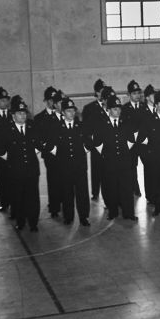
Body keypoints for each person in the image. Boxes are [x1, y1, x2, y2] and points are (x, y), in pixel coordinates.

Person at [0, 98, 43, 231]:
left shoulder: (32, 125)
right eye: (20, 114)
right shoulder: (6, 129)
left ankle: (33, 222)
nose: (23, 116)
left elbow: (39, 144)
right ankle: (20, 221)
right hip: (15, 170)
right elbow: (0, 151)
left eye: (24, 113)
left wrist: (31, 154)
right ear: (13, 115)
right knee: (18, 197)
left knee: (33, 197)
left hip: (31, 169)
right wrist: (12, 160)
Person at [90, 94, 139, 221]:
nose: (118, 111)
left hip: (124, 161)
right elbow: (97, 143)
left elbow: (131, 140)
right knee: (111, 187)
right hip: (109, 161)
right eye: (115, 109)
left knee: (126, 187)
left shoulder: (125, 123)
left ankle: (129, 213)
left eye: (119, 108)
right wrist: (107, 154)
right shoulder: (102, 124)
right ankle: (113, 212)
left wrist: (123, 152)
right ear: (109, 110)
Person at [44, 98, 92, 226]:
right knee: (67, 192)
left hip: (80, 166)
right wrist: (59, 155)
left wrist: (83, 151)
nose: (71, 113)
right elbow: (49, 145)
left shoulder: (80, 126)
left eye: (73, 111)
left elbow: (89, 142)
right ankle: (68, 216)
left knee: (82, 192)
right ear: (63, 112)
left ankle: (84, 216)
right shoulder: (56, 127)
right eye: (68, 111)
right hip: (64, 166)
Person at [34, 87, 65, 219]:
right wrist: (50, 149)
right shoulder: (40, 118)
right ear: (46, 101)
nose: (53, 103)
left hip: (64, 154)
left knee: (65, 180)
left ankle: (64, 202)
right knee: (53, 180)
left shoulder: (63, 115)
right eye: (51, 100)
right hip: (50, 154)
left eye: (55, 100)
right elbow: (39, 138)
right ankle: (54, 206)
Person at [81, 79, 109, 201]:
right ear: (97, 93)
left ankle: (108, 192)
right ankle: (95, 192)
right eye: (101, 91)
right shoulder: (89, 108)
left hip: (109, 143)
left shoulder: (110, 105)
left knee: (107, 170)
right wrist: (91, 142)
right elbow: (85, 128)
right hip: (95, 143)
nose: (103, 93)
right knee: (96, 168)